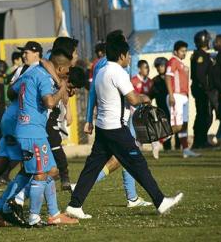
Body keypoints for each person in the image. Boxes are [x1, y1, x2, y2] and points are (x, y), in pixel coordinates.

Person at [65, 30, 183, 220]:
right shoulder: (118, 72)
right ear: (121, 55)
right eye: (128, 55)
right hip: (116, 129)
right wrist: (146, 98)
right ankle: (161, 202)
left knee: (92, 166)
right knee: (138, 164)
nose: (129, 58)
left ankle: (75, 205)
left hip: (103, 128)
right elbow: (134, 99)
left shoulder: (101, 70)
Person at [0, 41, 63, 228]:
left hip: (11, 119)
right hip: (21, 121)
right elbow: (46, 69)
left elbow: (10, 92)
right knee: (37, 169)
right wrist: (59, 84)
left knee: (2, 164)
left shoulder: (22, 70)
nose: (24, 55)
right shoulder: (38, 68)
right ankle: (9, 205)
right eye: (23, 52)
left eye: (26, 52)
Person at [83, 31, 152, 209]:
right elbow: (92, 92)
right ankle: (144, 198)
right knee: (127, 155)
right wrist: (88, 118)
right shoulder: (107, 65)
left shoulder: (118, 64)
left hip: (122, 114)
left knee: (123, 155)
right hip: (115, 119)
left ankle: (132, 197)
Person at [11, 47, 77, 227]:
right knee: (40, 174)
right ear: (61, 69)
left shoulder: (30, 73)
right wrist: (60, 89)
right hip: (32, 131)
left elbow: (12, 90)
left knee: (52, 170)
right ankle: (32, 215)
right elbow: (49, 102)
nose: (67, 74)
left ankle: (54, 213)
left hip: (29, 128)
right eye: (67, 71)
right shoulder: (45, 78)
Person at [166, 41, 200, 158]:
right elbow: (168, 77)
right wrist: (171, 95)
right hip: (176, 96)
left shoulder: (182, 64)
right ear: (176, 51)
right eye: (182, 51)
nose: (184, 53)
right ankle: (157, 140)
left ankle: (186, 150)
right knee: (178, 126)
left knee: (184, 125)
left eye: (185, 51)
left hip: (184, 97)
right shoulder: (173, 61)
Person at [190, 30, 214, 149]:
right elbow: (200, 75)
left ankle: (201, 140)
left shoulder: (201, 54)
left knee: (204, 115)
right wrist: (206, 88)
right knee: (204, 115)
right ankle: (200, 141)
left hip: (201, 89)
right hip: (201, 90)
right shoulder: (200, 55)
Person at [151, 57, 172, 151]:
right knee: (165, 129)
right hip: (162, 108)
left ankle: (179, 147)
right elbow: (151, 94)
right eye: (157, 66)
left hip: (173, 107)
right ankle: (167, 148)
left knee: (176, 126)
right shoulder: (155, 80)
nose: (159, 68)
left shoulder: (172, 78)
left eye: (161, 66)